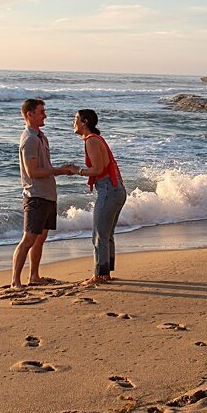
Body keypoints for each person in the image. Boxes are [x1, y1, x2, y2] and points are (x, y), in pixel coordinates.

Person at [11, 99, 77, 289]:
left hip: (48, 194)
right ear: (29, 114)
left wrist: (62, 169)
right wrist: (60, 171)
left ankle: (34, 276)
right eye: (41, 112)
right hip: (35, 196)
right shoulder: (30, 139)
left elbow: (45, 167)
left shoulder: (41, 136)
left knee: (40, 239)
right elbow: (33, 172)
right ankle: (15, 280)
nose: (45, 115)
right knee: (28, 239)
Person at [72, 108, 127, 286]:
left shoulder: (91, 141)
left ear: (85, 122)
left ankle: (99, 275)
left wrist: (77, 171)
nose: (73, 123)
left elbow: (98, 169)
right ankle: (106, 273)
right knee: (107, 234)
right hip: (116, 188)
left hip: (109, 189)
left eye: (76, 119)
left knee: (99, 234)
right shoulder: (96, 139)